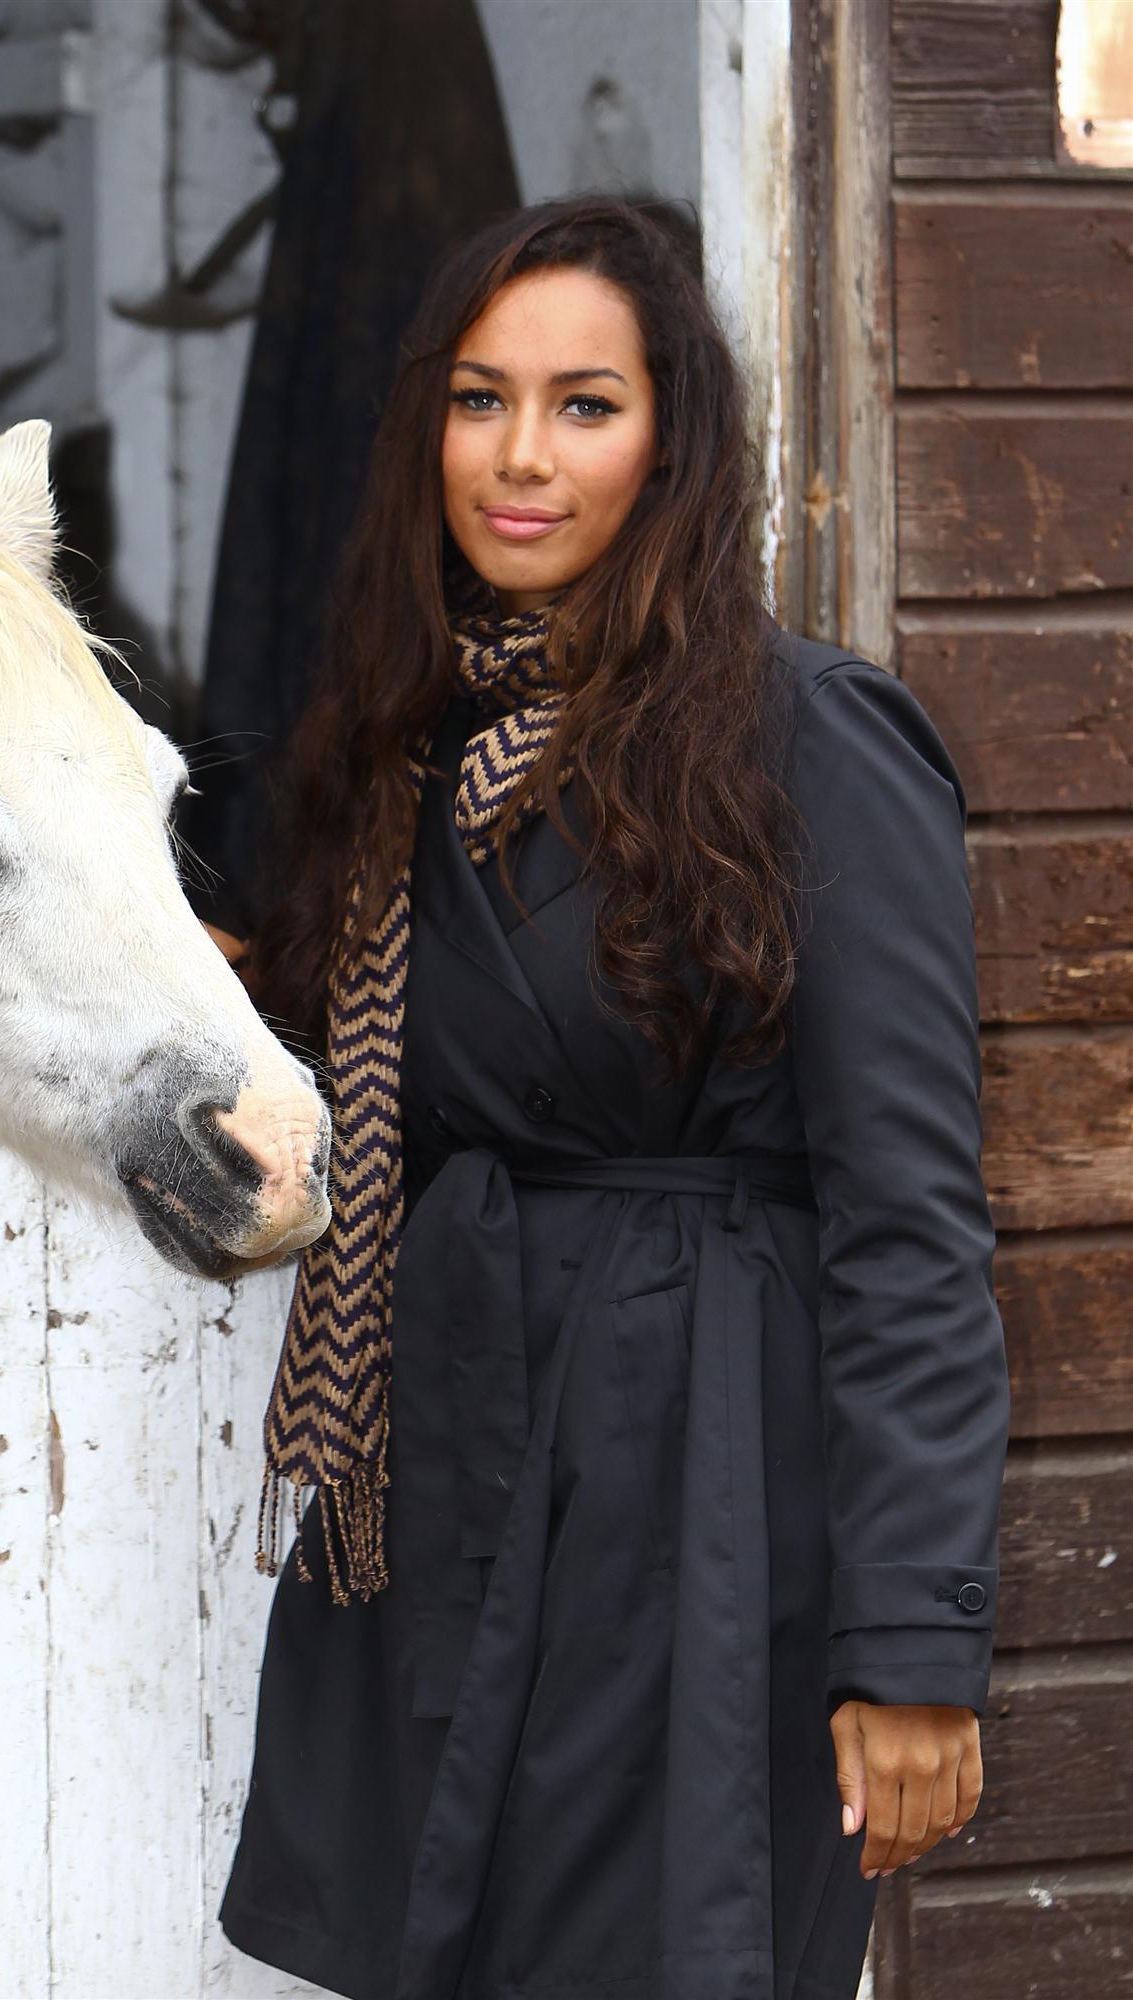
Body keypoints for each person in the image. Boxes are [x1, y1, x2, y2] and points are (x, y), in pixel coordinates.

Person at [202, 196, 1011, 2000]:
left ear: (674, 439)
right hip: (459, 1476)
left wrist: (916, 1643)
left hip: (712, 1490)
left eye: (586, 405)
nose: (519, 458)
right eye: (481, 399)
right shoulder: (396, 758)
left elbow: (910, 1221)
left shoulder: (809, 734)